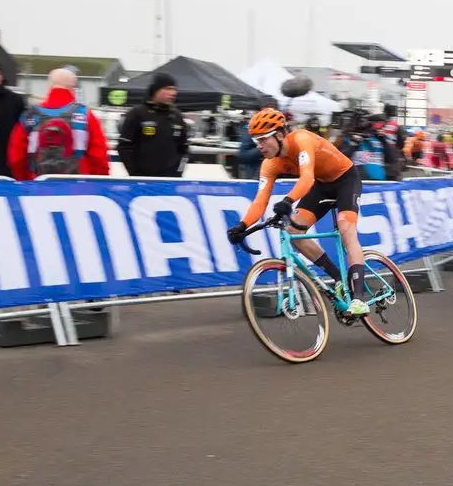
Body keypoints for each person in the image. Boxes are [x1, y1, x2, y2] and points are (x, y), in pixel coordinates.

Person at [225, 108, 371, 316]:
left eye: (264, 139)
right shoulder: (269, 164)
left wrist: (288, 201)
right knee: (294, 233)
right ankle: (339, 278)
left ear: (279, 135)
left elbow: (306, 179)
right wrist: (243, 225)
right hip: (321, 185)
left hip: (346, 179)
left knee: (347, 231)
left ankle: (358, 299)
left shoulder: (301, 139)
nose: (260, 146)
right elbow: (260, 200)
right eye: (256, 141)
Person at [7, 67, 110, 179]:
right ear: (73, 88)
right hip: (79, 188)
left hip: (37, 186)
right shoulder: (86, 116)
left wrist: (26, 180)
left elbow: (16, 158)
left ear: (50, 86)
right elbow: (99, 158)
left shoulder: (29, 116)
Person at [116, 73, 190, 177]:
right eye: (168, 89)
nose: (173, 93)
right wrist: (134, 173)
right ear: (156, 90)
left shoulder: (177, 116)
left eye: (174, 89)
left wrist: (178, 172)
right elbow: (124, 147)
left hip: (170, 181)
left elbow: (184, 149)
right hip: (142, 179)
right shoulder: (137, 113)